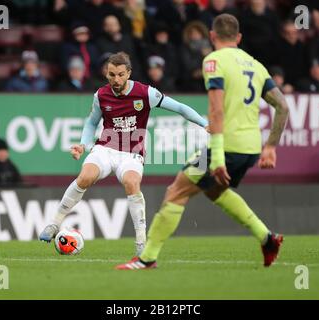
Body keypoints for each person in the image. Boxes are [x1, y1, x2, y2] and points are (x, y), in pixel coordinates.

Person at [116, 14, 289, 270]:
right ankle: (267, 238)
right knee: (215, 191)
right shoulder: (256, 65)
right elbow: (283, 107)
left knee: (176, 192)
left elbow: (216, 111)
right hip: (252, 148)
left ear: (211, 36)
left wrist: (216, 157)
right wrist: (271, 147)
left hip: (226, 147)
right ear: (239, 38)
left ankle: (147, 258)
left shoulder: (213, 61)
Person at [39, 52, 208, 256]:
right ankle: (54, 224)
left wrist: (205, 123)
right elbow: (92, 122)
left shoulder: (146, 93)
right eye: (111, 75)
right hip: (105, 148)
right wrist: (83, 145)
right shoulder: (101, 95)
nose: (116, 80)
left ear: (128, 73)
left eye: (120, 74)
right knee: (85, 177)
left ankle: (140, 243)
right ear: (106, 74)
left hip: (132, 153)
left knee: (131, 183)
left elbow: (179, 108)